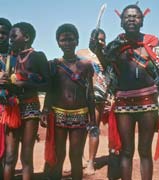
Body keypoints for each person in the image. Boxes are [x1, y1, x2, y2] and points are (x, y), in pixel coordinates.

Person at [93, 4, 159, 180]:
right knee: (126, 150)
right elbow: (107, 66)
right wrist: (97, 50)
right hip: (124, 103)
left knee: (144, 150)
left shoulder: (152, 42)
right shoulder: (115, 46)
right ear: (121, 22)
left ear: (142, 21)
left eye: (136, 16)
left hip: (149, 102)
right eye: (127, 16)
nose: (131, 19)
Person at [41, 23, 97, 180]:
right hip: (58, 114)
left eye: (70, 39)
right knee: (59, 154)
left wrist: (93, 119)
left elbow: (90, 93)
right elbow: (50, 91)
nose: (67, 43)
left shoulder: (86, 65)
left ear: (77, 41)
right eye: (63, 40)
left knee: (76, 155)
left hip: (80, 115)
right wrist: (45, 110)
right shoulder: (54, 65)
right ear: (58, 42)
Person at [2, 22, 50, 180]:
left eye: (14, 36)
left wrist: (24, 83)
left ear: (27, 37)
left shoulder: (38, 56)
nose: (10, 39)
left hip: (30, 107)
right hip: (12, 108)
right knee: (9, 156)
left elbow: (47, 84)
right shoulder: (10, 58)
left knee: (26, 156)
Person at [76, 28, 110, 175]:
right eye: (99, 39)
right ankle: (80, 157)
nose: (101, 42)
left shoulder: (105, 56)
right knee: (82, 128)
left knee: (93, 127)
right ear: (91, 38)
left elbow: (110, 75)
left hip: (98, 96)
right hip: (82, 95)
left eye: (104, 39)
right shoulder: (81, 53)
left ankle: (91, 162)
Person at [0, 17, 12, 180]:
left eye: (3, 33)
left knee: (9, 152)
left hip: (11, 109)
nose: (0, 35)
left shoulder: (16, 53)